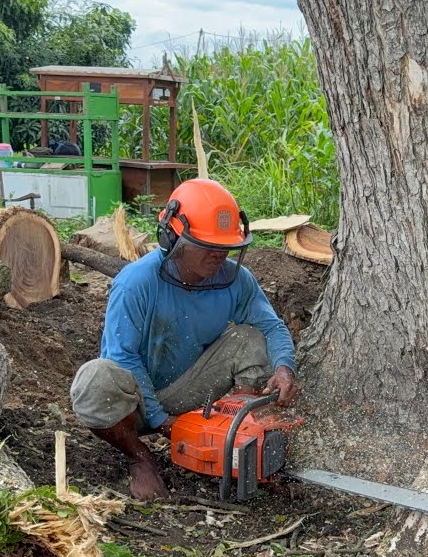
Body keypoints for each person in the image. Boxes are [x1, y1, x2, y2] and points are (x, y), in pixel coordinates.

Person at [70, 179, 298, 500]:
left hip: (188, 390)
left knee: (249, 337)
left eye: (224, 247)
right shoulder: (136, 283)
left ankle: (238, 438)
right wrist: (163, 422)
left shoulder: (236, 280)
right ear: (174, 237)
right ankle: (139, 457)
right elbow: (122, 357)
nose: (219, 256)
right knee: (94, 380)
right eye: (208, 246)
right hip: (135, 401)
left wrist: (284, 367)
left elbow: (271, 327)